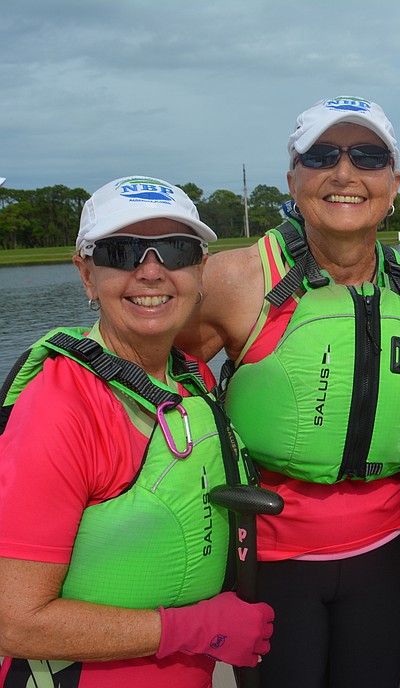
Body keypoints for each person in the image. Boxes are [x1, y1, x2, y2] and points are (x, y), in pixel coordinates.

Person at [175, 96, 400, 688]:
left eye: (369, 157)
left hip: (387, 554)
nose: (345, 173)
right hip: (272, 558)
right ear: (293, 178)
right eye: (323, 155)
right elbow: (155, 384)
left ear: (394, 181)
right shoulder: (233, 281)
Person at [0, 176, 274, 688]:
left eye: (175, 250)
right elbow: (12, 621)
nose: (152, 271)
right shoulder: (61, 408)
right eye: (122, 252)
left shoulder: (191, 378)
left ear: (200, 271)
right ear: (86, 275)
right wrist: (194, 629)